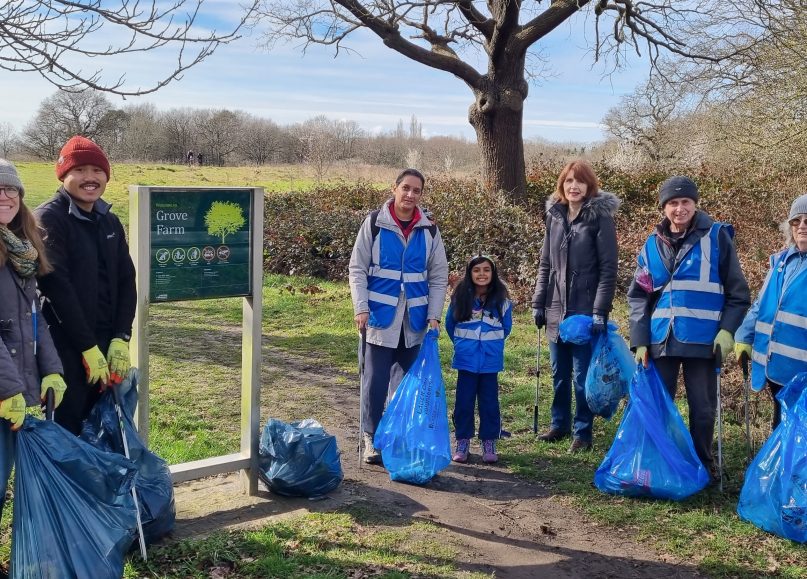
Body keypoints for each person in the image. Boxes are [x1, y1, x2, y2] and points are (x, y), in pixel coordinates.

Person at [628, 176, 750, 477]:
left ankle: (702, 466)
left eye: (685, 202)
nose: (679, 208)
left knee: (703, 408)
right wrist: (639, 339)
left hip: (704, 340)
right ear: (663, 207)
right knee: (659, 406)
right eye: (672, 203)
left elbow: (739, 294)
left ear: (695, 204)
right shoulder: (651, 244)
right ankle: (662, 464)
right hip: (660, 341)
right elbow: (638, 296)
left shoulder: (718, 236)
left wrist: (727, 330)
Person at [35, 136, 137, 435]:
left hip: (107, 343)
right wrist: (87, 347)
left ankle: (101, 483)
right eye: (79, 170)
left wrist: (121, 336)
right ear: (63, 175)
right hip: (66, 346)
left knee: (107, 429)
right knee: (69, 431)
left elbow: (125, 279)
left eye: (97, 170)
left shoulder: (109, 221)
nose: (90, 178)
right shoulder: (49, 219)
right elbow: (56, 287)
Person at [348, 168, 448, 464]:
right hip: (379, 318)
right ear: (395, 189)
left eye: (416, 191)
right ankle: (372, 437)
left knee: (409, 384)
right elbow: (357, 268)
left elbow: (439, 274)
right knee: (375, 381)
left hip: (414, 320)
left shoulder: (429, 229)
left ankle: (400, 434)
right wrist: (360, 307)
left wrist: (434, 315)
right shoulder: (374, 224)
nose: (410, 195)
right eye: (406, 188)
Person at [531, 160, 620, 453]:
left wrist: (599, 311)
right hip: (557, 308)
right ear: (562, 185)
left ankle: (583, 432)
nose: (574, 187)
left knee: (582, 376)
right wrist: (538, 302)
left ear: (589, 186)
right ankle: (559, 424)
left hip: (585, 311)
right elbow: (546, 263)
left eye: (580, 182)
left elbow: (608, 269)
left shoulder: (599, 217)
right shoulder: (554, 216)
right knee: (559, 373)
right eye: (569, 181)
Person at [0, 159, 67, 541]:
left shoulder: (21, 248)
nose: (5, 196)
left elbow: (32, 318)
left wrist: (52, 369)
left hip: (16, 387)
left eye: (11, 189)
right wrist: (8, 390)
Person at [734, 193, 807, 430]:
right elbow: (761, 305)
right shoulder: (782, 262)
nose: (802, 227)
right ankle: (780, 468)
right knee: (781, 426)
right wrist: (743, 336)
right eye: (797, 221)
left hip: (802, 369)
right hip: (775, 364)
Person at [445, 255, 512, 464]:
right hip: (466, 361)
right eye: (476, 270)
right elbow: (450, 325)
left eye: (486, 270)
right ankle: (463, 440)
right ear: (469, 273)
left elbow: (506, 328)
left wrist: (490, 346)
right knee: (464, 403)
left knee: (489, 403)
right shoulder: (460, 299)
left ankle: (489, 440)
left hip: (490, 362)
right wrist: (463, 345)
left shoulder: (501, 302)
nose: (481, 274)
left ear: (493, 274)